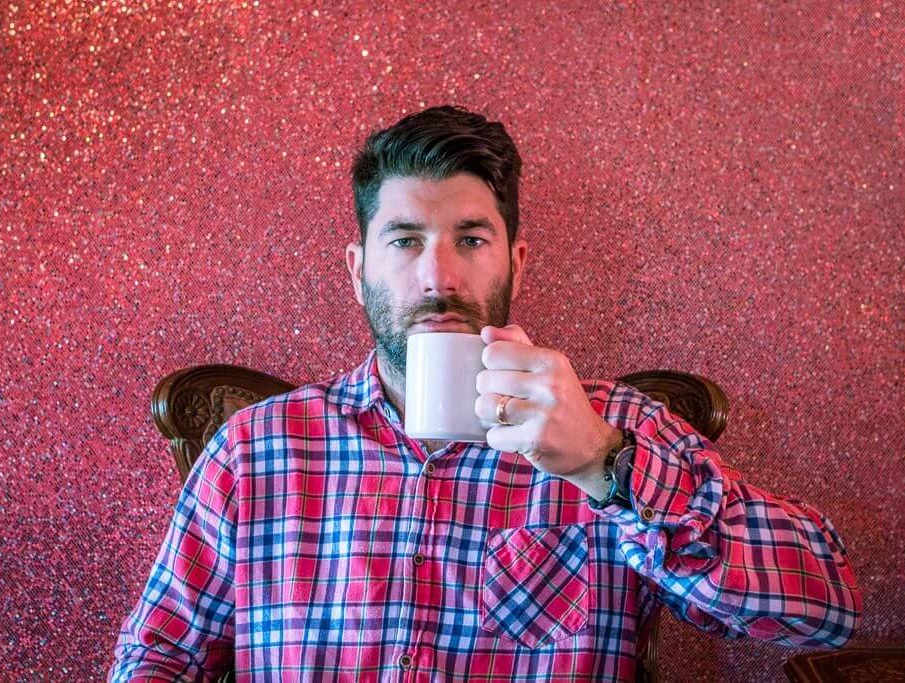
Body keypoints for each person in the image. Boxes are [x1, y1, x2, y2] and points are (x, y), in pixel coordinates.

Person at [108, 105, 861, 682]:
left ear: (516, 263)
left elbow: (825, 607)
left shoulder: (615, 426)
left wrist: (606, 465)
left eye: (471, 239)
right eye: (404, 241)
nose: (438, 277)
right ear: (358, 269)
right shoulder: (256, 448)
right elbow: (156, 654)